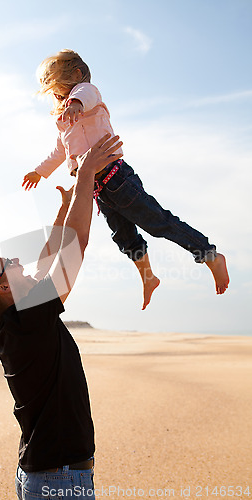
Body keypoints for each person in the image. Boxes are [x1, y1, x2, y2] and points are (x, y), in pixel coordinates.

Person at [0, 135, 123, 500]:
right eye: (9, 263)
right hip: (59, 479)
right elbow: (75, 246)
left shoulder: (16, 321)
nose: (19, 260)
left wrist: (63, 209)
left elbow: (49, 258)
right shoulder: (28, 320)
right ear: (3, 289)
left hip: (43, 473)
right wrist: (85, 177)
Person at [22, 49, 229, 309]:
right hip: (97, 189)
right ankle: (148, 277)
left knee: (158, 222)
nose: (58, 96)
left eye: (59, 88)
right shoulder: (64, 121)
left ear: (76, 76)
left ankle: (210, 255)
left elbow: (83, 95)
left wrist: (75, 103)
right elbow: (59, 151)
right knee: (124, 237)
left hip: (117, 177)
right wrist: (40, 171)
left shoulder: (88, 95)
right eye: (54, 93)